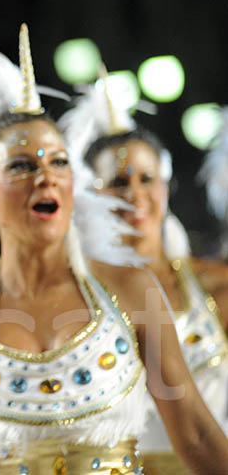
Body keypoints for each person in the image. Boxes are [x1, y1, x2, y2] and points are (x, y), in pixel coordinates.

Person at [0, 24, 228, 474]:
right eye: (23, 166)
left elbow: (198, 434)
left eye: (58, 161)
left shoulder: (130, 289)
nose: (45, 176)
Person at [63, 76, 228, 472]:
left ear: (166, 186)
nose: (135, 195)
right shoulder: (82, 298)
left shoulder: (215, 286)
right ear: (90, 195)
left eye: (146, 179)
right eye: (118, 182)